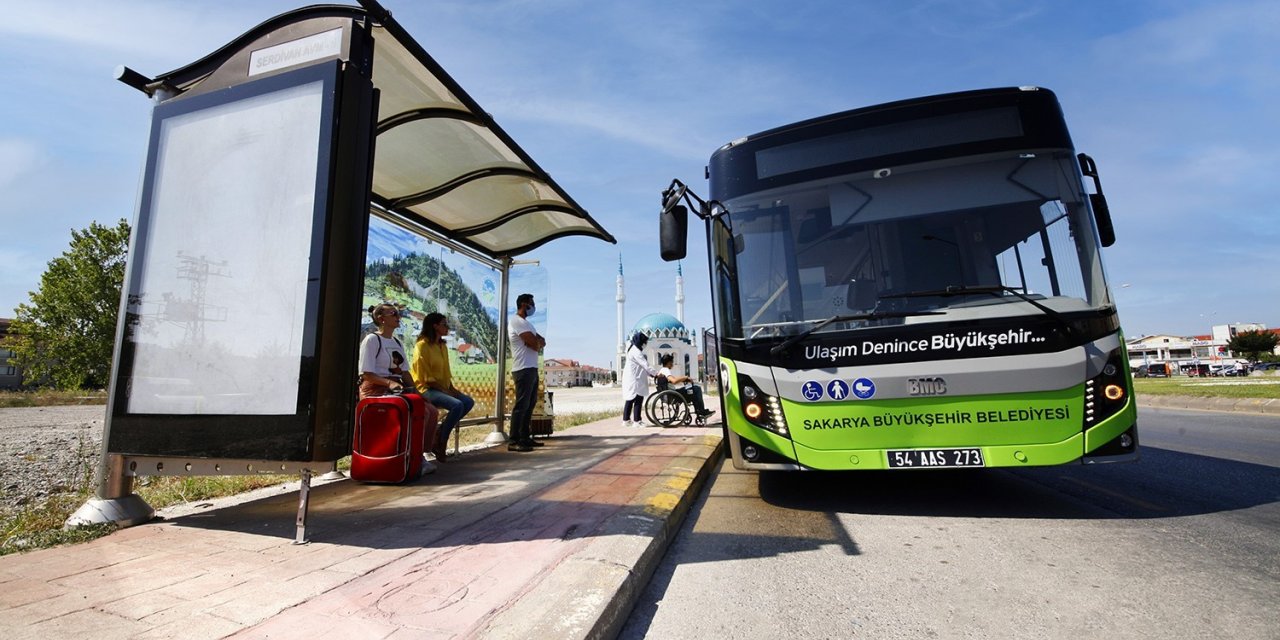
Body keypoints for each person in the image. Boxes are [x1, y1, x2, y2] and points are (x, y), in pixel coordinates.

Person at [359, 303, 439, 472]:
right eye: (393, 313)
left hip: (395, 389)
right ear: (381, 319)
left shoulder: (396, 342)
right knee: (420, 412)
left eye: (398, 313)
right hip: (375, 389)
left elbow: (404, 372)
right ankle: (414, 458)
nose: (398, 317)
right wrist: (389, 383)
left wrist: (417, 391)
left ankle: (419, 455)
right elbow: (366, 374)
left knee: (431, 411)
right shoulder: (372, 340)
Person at [411, 312, 475, 462]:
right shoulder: (422, 346)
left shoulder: (442, 346)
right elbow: (425, 378)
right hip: (426, 389)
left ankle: (439, 434)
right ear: (435, 326)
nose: (447, 327)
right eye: (444, 324)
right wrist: (446, 391)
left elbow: (446, 373)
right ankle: (441, 441)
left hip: (442, 388)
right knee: (457, 405)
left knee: (468, 401)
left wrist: (452, 389)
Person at [507, 293, 545, 452]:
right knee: (521, 405)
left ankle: (525, 437)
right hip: (522, 368)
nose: (533, 306)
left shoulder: (528, 324)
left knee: (529, 404)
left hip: (532, 368)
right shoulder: (516, 321)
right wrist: (535, 343)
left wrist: (536, 343)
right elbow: (534, 343)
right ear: (523, 304)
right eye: (531, 303)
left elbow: (541, 342)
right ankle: (514, 440)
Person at [621, 333, 660, 427]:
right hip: (634, 379)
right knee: (638, 398)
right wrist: (657, 374)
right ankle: (637, 421)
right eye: (644, 342)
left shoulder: (633, 349)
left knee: (630, 399)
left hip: (633, 378)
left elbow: (642, 367)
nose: (645, 344)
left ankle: (626, 420)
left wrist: (651, 374)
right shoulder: (636, 351)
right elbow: (645, 365)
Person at [657, 353, 713, 418]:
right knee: (696, 389)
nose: (672, 364)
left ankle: (699, 410)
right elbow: (674, 381)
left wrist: (684, 380)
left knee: (692, 390)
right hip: (673, 395)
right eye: (672, 362)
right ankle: (701, 411)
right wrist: (685, 377)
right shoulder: (666, 370)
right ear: (669, 362)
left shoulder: (662, 370)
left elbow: (669, 381)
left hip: (670, 394)